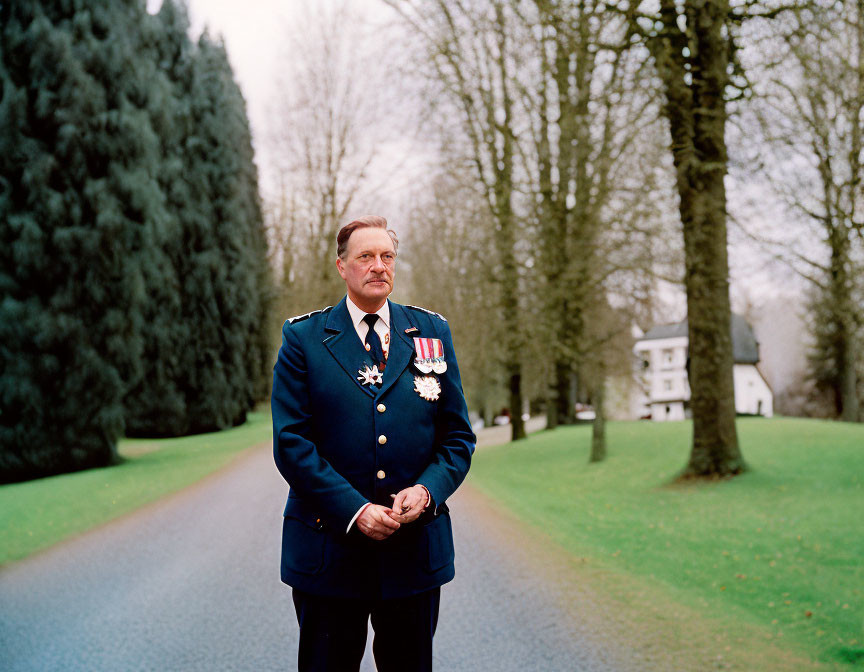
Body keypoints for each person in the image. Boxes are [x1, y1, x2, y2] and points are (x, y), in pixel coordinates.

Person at [271, 215, 475, 672]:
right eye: (365, 256)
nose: (378, 266)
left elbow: (457, 438)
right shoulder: (304, 339)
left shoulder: (430, 334)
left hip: (412, 555)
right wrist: (356, 510)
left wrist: (427, 492)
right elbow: (291, 443)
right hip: (330, 552)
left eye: (387, 256)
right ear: (342, 267)